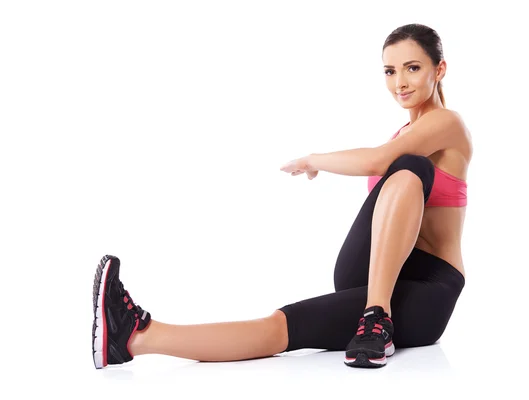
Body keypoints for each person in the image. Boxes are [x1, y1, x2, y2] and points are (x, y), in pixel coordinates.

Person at [91, 23, 472, 370]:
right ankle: (376, 312)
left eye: (412, 68)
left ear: (439, 69)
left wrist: (314, 160)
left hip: (428, 290)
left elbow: (378, 160)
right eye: (390, 71)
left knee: (280, 327)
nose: (399, 82)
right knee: (405, 166)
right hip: (374, 279)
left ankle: (138, 336)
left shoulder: (447, 124)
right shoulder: (403, 134)